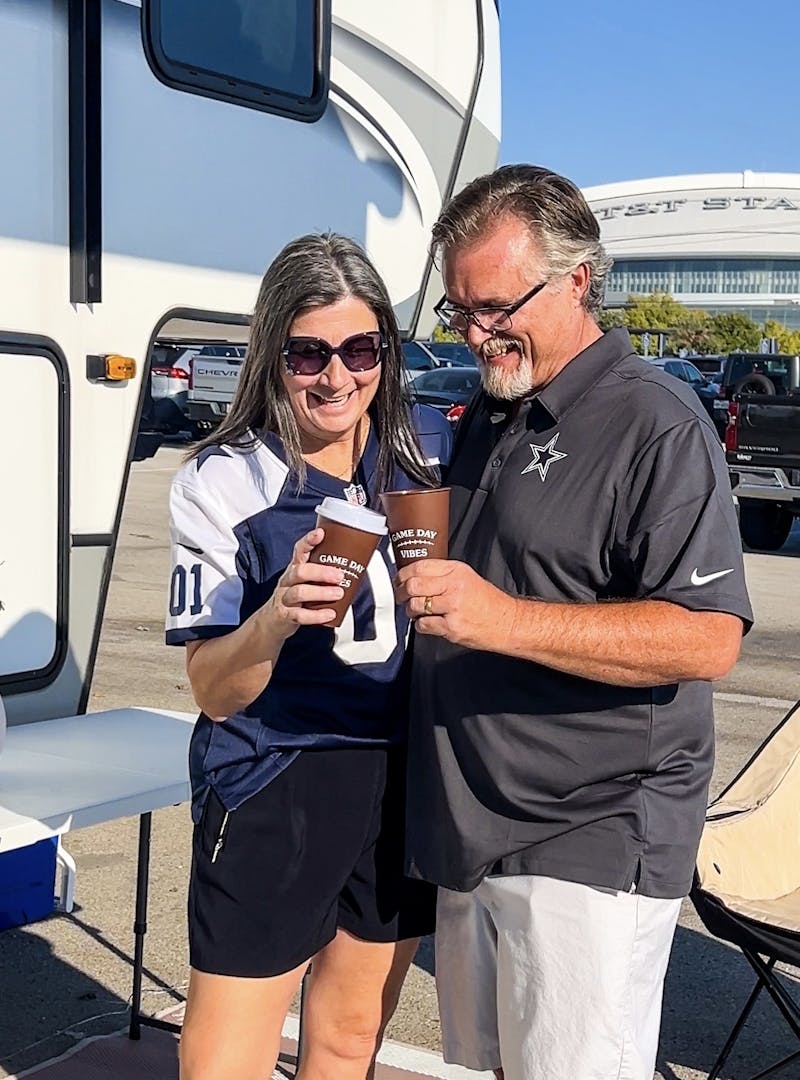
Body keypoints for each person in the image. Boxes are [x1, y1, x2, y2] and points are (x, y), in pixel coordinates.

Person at [396, 165, 753, 1080]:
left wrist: (502, 619)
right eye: (459, 310)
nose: (476, 332)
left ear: (578, 279)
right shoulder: (489, 410)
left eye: (496, 307)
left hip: (589, 836)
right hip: (471, 829)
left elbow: (706, 638)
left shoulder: (657, 424)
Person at [166, 233, 449, 1080]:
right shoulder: (223, 479)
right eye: (307, 353)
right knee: (231, 1055)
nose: (336, 376)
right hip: (275, 775)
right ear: (272, 353)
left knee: (351, 1035)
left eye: (361, 349)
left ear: (386, 354)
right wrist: (275, 618)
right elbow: (213, 690)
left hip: (400, 776)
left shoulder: (422, 449)